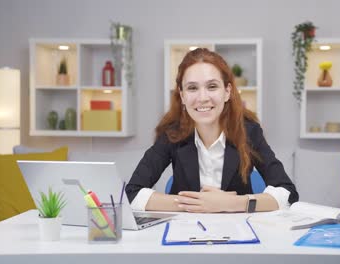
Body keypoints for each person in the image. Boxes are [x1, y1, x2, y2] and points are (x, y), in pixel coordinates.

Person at [126, 48, 298, 213]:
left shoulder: (249, 131)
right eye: (192, 88)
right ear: (182, 96)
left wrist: (232, 203)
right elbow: (132, 193)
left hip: (238, 231)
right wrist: (197, 204)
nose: (202, 98)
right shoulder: (172, 134)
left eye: (212, 86)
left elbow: (288, 193)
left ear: (227, 92)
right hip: (184, 231)